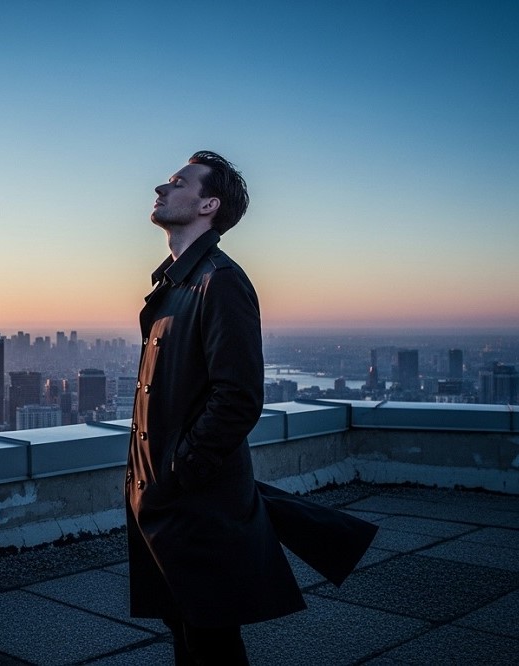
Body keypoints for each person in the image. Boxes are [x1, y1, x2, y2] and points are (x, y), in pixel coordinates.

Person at [125, 151, 377, 665]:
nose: (161, 188)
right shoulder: (177, 283)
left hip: (192, 499)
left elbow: (238, 396)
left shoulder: (220, 280)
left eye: (178, 183)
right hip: (166, 501)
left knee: (210, 638)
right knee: (186, 627)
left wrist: (180, 470)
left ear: (208, 205)